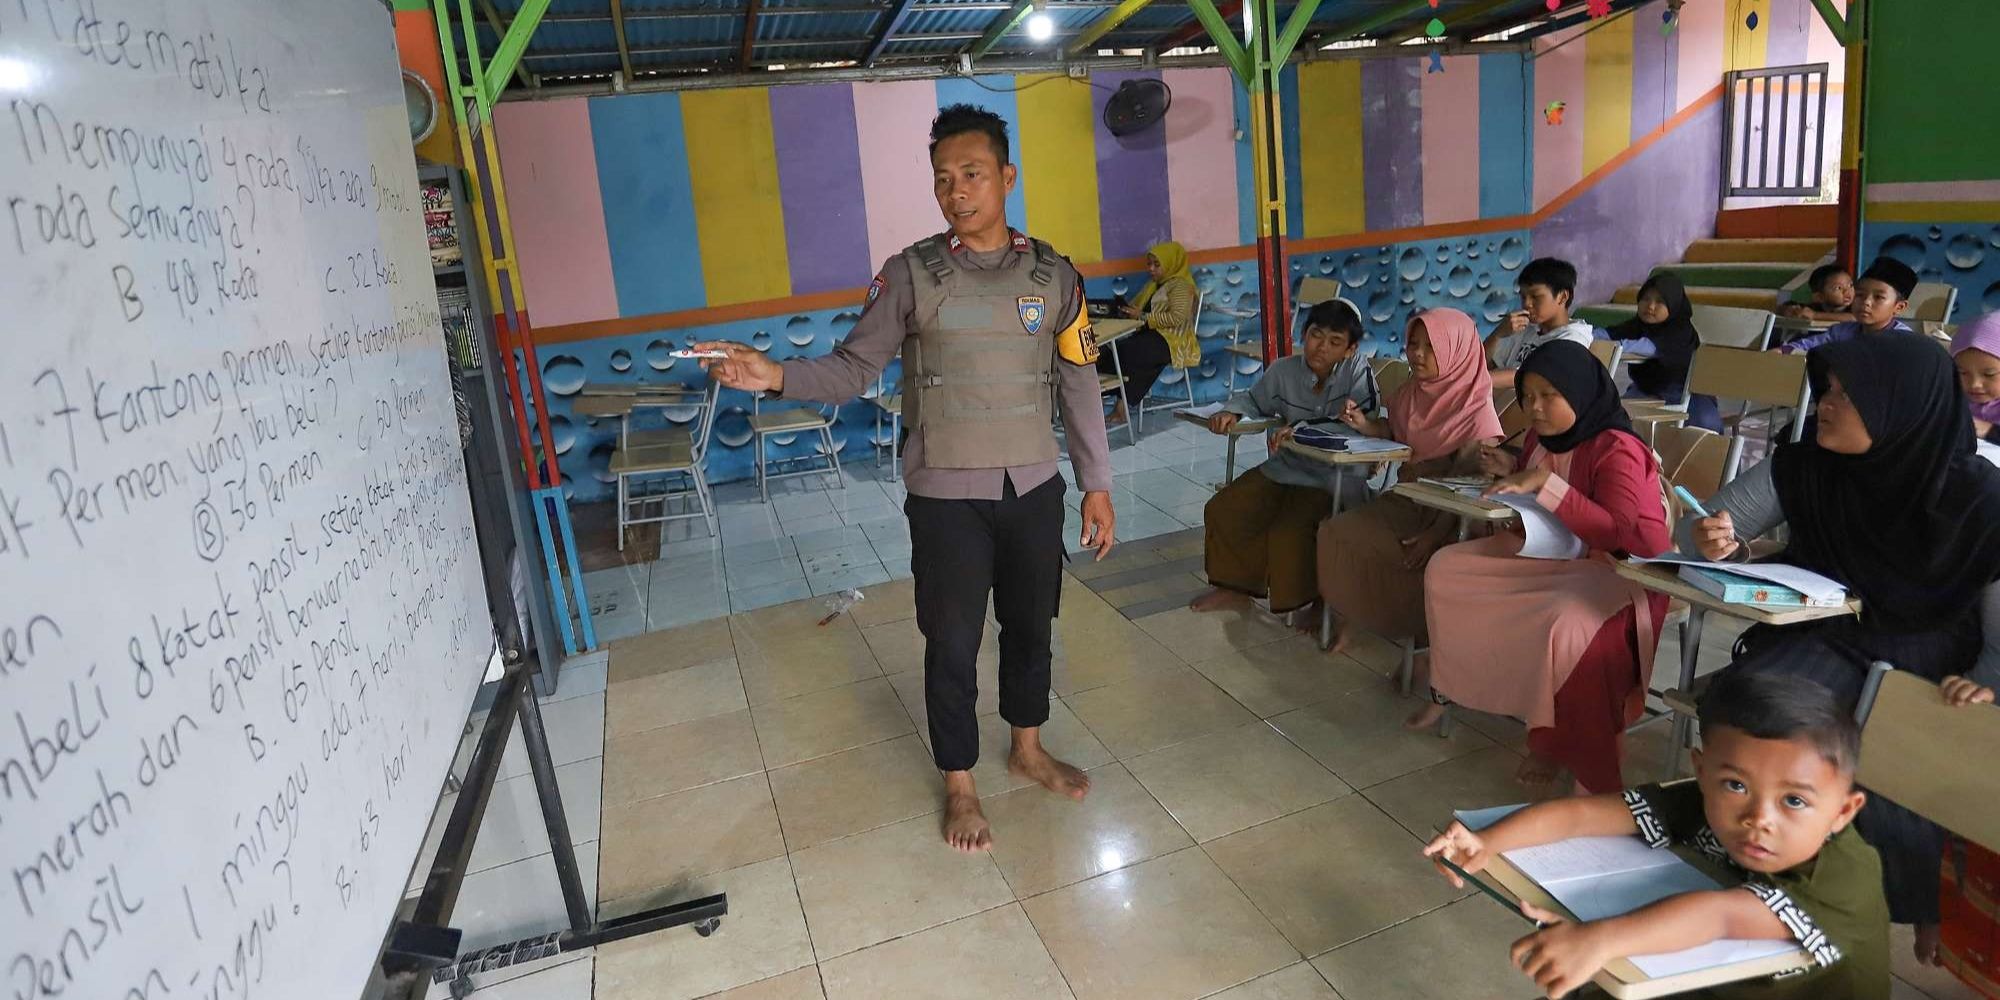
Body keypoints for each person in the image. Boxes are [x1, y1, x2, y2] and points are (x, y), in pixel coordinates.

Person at [695, 104, 1117, 853]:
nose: (956, 191)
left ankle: (1026, 748)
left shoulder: (1056, 275)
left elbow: (1079, 380)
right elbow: (855, 369)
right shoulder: (910, 274)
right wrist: (775, 376)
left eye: (972, 175)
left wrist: (1096, 482)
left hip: (1033, 488)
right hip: (947, 495)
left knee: (1031, 626)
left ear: (1007, 177)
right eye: (943, 179)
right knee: (951, 641)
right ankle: (959, 782)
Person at [1678, 334, 2000, 961]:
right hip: (1829, 629)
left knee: (1900, 749)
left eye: (1849, 396)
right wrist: (1714, 542)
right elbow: (1704, 534)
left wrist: (1990, 677)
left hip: (1931, 649)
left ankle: (1914, 905)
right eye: (1827, 389)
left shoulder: (1980, 496)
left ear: (1901, 407)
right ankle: (1761, 871)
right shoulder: (1802, 466)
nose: (1826, 404)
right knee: (1766, 716)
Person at [1422, 669, 1889, 1000]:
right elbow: (1585, 817)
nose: (1758, 818)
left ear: (1842, 811)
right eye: (1736, 785)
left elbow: (1720, 918)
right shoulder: (1702, 799)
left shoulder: (1846, 874)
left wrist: (1601, 939)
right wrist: (1488, 841)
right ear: (1702, 772)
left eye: (1795, 801)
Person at [1413, 340, 1671, 794]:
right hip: (1562, 555)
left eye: (1548, 395)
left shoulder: (1619, 448)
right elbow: (1547, 491)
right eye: (1527, 397)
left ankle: (1561, 744)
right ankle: (1451, 687)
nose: (1534, 408)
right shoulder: (1539, 437)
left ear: (1580, 391)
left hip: (1627, 573)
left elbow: (1615, 532)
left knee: (1569, 623)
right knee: (1447, 569)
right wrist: (1513, 476)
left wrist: (1544, 486)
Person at [1315, 308, 1504, 656]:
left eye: (1431, 347)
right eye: (1413, 344)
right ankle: (1358, 620)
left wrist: (1433, 534)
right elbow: (1395, 431)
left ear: (1456, 350)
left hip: (1455, 517)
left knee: (1413, 559)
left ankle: (1422, 643)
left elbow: (1473, 488)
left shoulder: (1476, 410)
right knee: (1336, 532)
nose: (1417, 354)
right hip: (1409, 498)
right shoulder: (1412, 393)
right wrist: (1364, 425)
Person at [1190, 299, 1379, 617]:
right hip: (1287, 466)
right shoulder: (1283, 370)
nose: (1322, 348)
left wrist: (1301, 430)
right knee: (1226, 508)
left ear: (1350, 349)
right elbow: (1253, 400)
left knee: (1289, 531)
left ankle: (1311, 604)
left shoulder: (1358, 372)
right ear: (1304, 334)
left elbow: (1364, 420)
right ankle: (1235, 587)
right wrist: (1231, 411)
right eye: (1316, 335)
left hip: (1335, 477)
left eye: (1335, 342)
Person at [1599, 272, 1722, 432]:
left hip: (1684, 391)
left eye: (1660, 301)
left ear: (1673, 305)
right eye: (1645, 299)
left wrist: (1616, 345)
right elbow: (1607, 333)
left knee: (1706, 428)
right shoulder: (1636, 325)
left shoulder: (1680, 330)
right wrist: (1584, 333)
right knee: (1617, 417)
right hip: (1647, 389)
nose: (1650, 306)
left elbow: (1647, 347)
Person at [1099, 241, 1199, 425]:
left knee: (1131, 353)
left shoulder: (1181, 286)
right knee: (1115, 352)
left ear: (1171, 263)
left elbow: (1177, 318)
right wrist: (1126, 311)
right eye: (1149, 264)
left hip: (1173, 342)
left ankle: (1121, 408)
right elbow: (1141, 310)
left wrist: (1143, 317)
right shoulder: (1155, 285)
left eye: (1156, 265)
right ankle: (1115, 405)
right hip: (1153, 336)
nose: (1151, 269)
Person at [1486, 257, 1594, 390]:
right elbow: (1483, 364)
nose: (1526, 304)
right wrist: (1498, 334)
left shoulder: (1573, 338)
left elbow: (1533, 377)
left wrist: (1475, 381)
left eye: (1535, 297)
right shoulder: (1526, 329)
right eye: (1523, 297)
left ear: (1562, 297)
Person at [1777, 257, 1917, 354]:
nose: (1866, 302)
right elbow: (1808, 345)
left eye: (1878, 297)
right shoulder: (1842, 332)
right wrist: (1783, 351)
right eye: (1860, 294)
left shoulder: (1904, 341)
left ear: (1899, 307)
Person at [1950, 312, 2000, 446]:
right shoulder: (1950, 397)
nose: (1975, 384)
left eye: (1989, 374)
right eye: (1962, 372)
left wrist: (1990, 430)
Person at [1778, 263, 1856, 324]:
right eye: (1838, 288)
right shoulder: (1814, 308)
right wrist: (1791, 311)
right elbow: (1782, 308)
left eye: (1850, 285)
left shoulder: (1856, 307)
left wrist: (1815, 315)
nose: (1847, 291)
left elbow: (1853, 318)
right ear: (1819, 297)